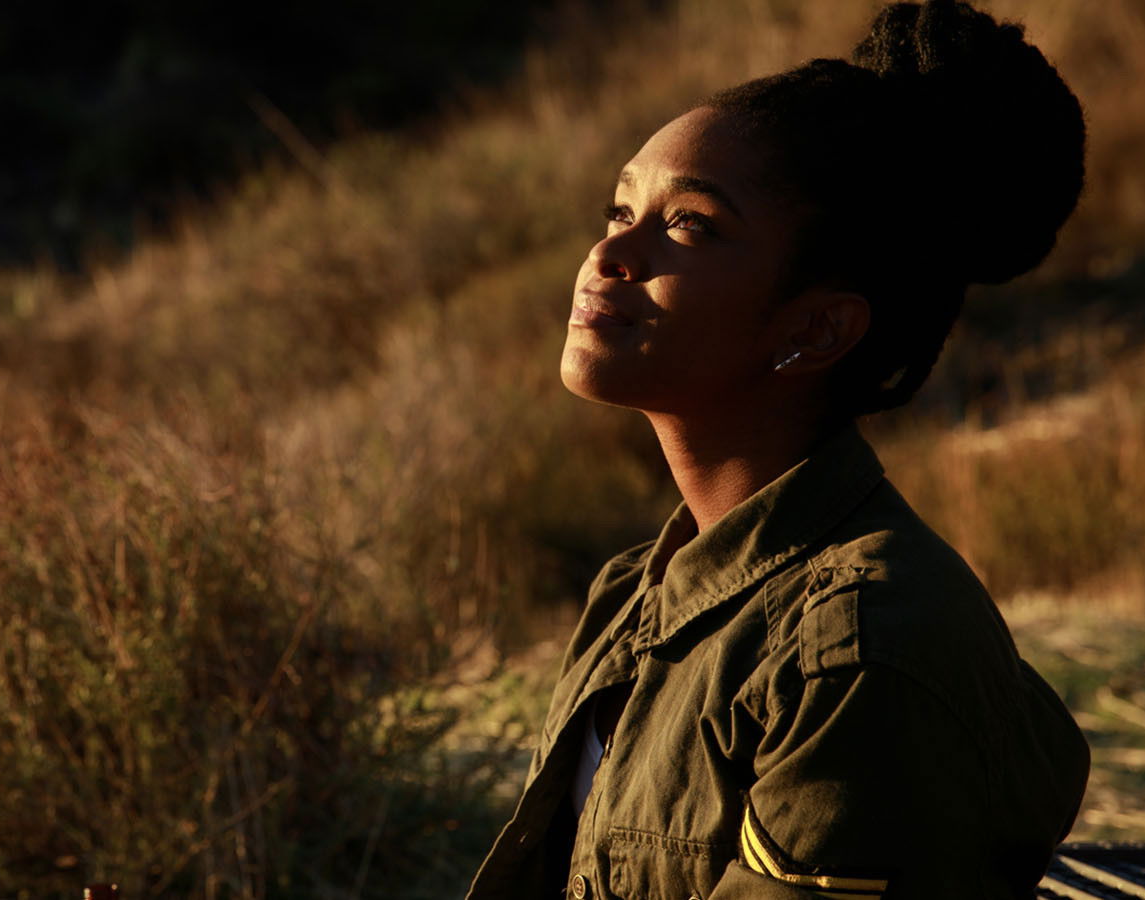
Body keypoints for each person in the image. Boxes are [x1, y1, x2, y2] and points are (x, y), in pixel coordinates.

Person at [465, 2, 1091, 898]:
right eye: (621, 208)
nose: (611, 252)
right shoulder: (633, 594)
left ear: (817, 329)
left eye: (690, 225)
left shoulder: (862, 648)